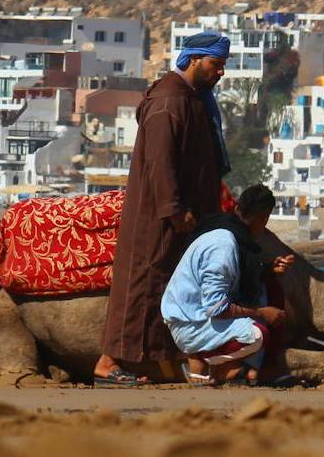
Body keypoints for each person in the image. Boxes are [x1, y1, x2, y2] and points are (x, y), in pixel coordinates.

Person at [95, 32, 234, 385]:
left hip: (185, 218)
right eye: (215, 65)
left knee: (176, 287)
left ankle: (168, 362)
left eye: (222, 66)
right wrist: (174, 208)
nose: (220, 73)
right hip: (158, 219)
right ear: (192, 60)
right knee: (145, 286)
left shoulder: (191, 100)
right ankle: (108, 364)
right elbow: (161, 162)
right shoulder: (169, 103)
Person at [162, 184, 295, 386]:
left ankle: (260, 367)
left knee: (271, 287)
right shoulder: (223, 248)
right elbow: (216, 307)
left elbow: (242, 274)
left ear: (237, 209)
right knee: (257, 335)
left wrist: (268, 269)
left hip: (202, 315)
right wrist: (261, 312)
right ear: (264, 219)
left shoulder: (229, 230)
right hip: (191, 322)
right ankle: (205, 360)